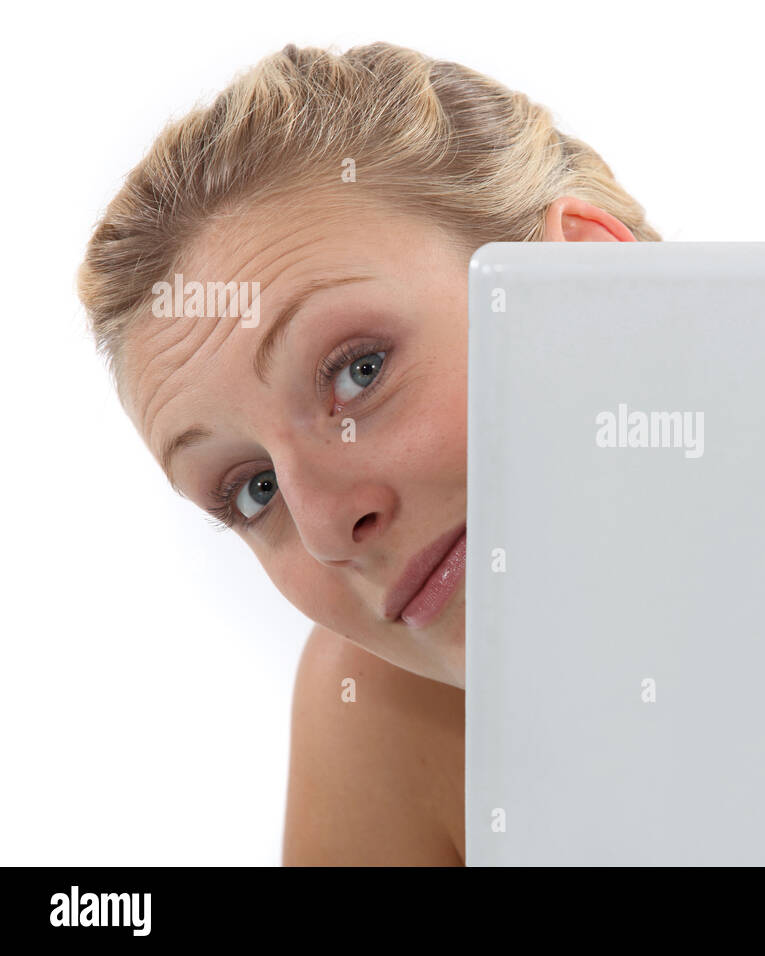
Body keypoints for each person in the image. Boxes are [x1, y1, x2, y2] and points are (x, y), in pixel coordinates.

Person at [77, 41, 660, 865]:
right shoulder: (385, 713)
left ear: (590, 287)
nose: (323, 525)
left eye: (359, 371)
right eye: (254, 491)